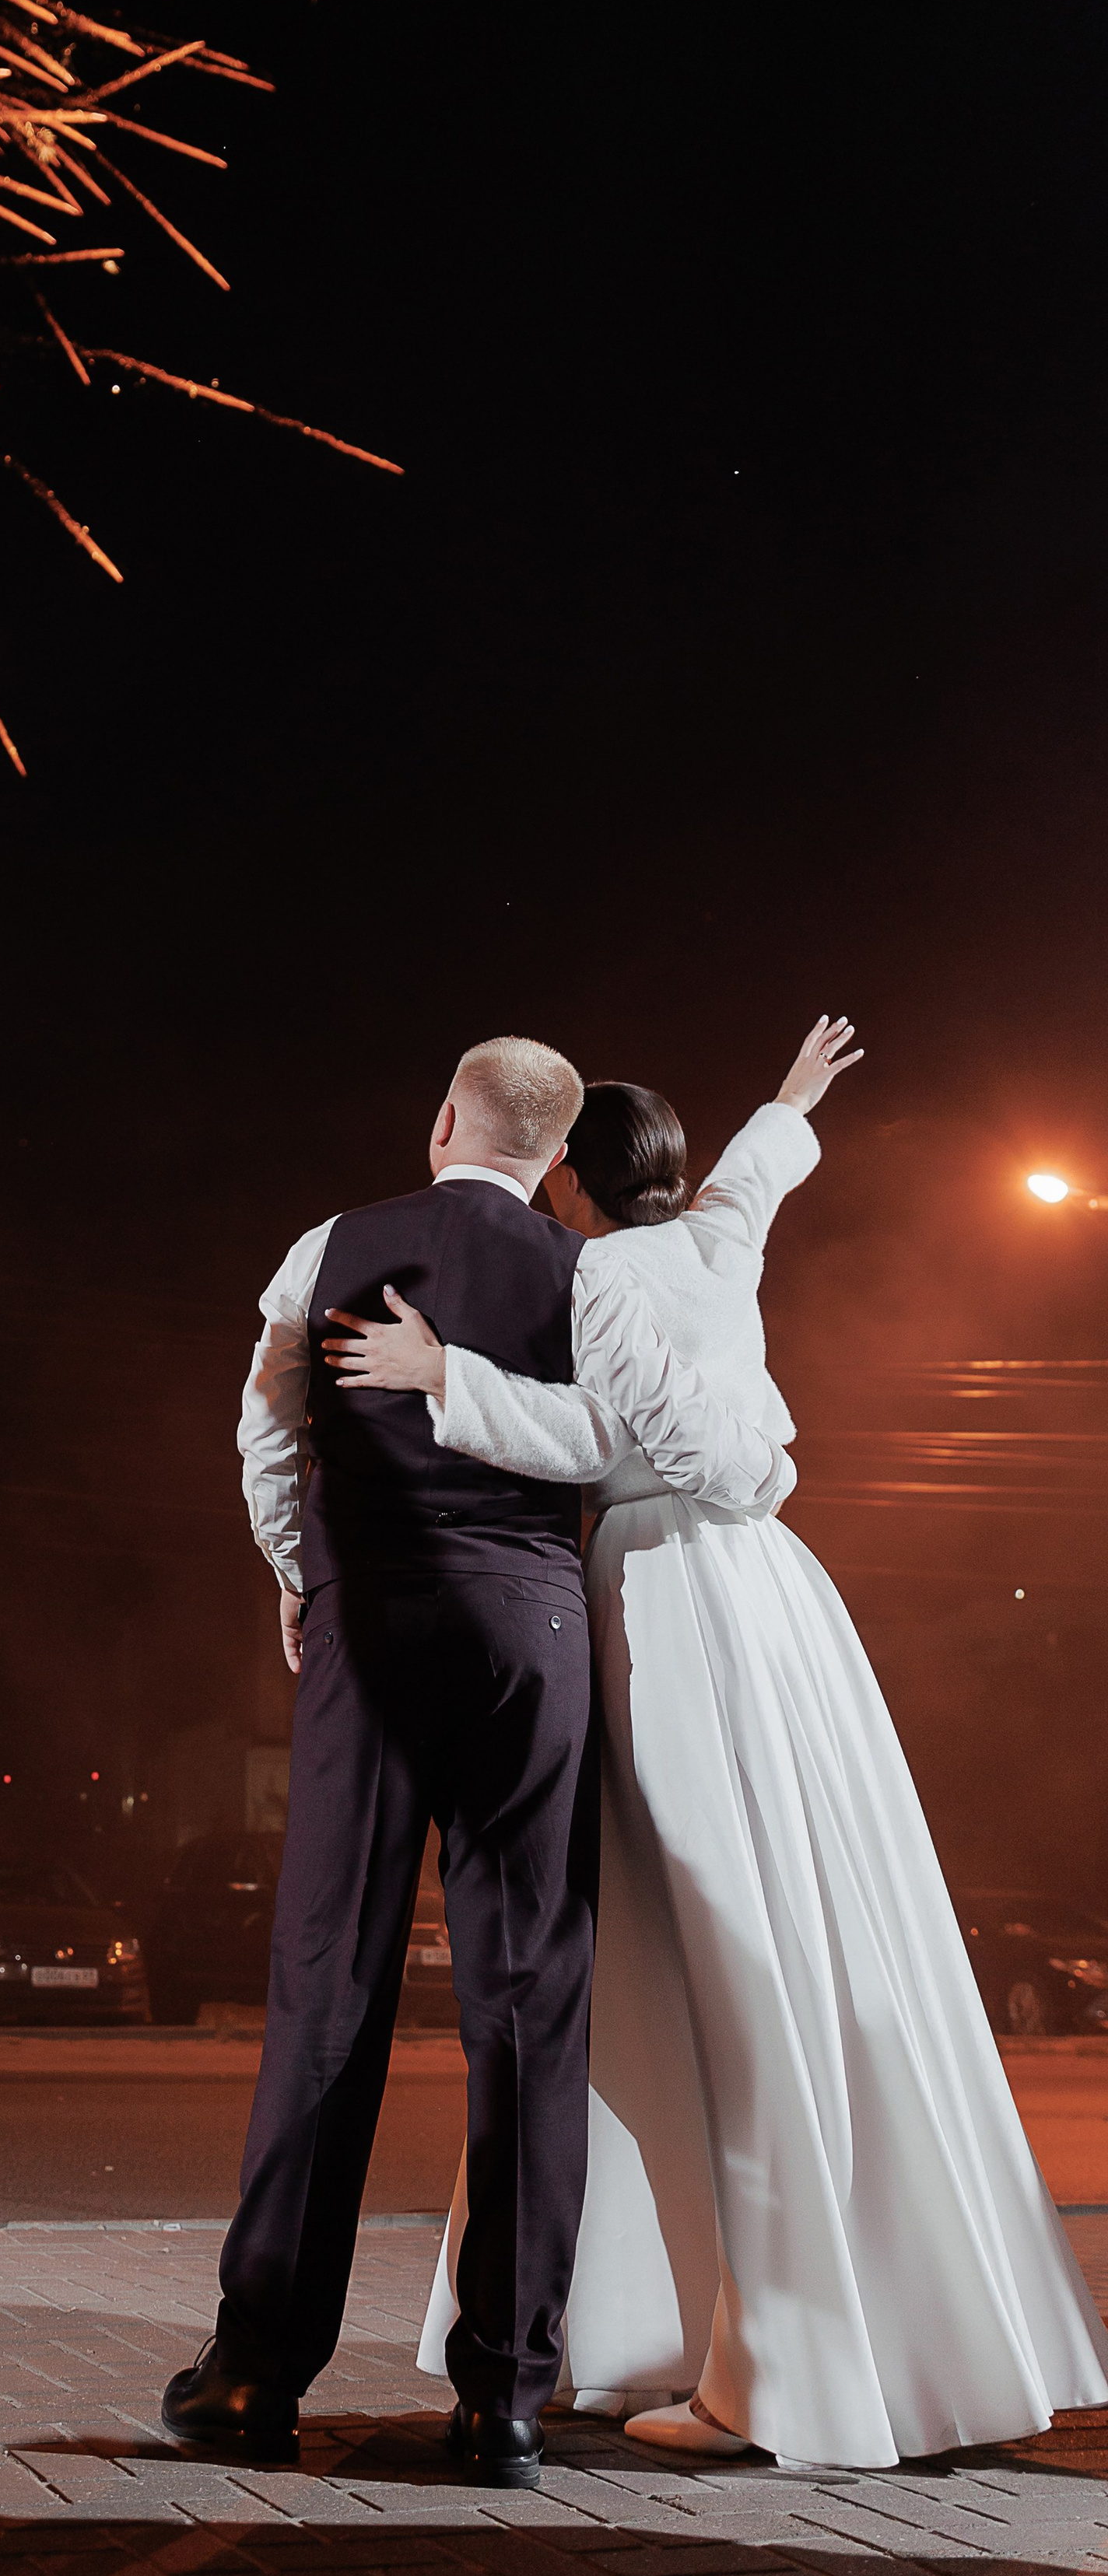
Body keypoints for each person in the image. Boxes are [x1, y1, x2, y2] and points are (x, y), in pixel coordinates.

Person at [325, 1020, 1108, 2466]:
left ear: (570, 1176)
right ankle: (706, 2326)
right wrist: (790, 1104)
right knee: (776, 1930)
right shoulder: (710, 1243)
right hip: (773, 1601)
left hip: (670, 1597)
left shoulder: (605, 1273)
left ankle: (766, 2365)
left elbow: (613, 1438)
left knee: (699, 1949)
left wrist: (445, 1377)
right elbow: (755, 1184)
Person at [160, 1034, 797, 2487]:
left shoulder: (328, 1246)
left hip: (372, 1627)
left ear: (444, 1116)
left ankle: (255, 2375)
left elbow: (269, 1426)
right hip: (531, 1637)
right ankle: (503, 2395)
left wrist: (298, 1570)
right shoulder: (592, 1276)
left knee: (328, 1989)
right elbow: (633, 1439)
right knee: (529, 2007)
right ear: (555, 1157)